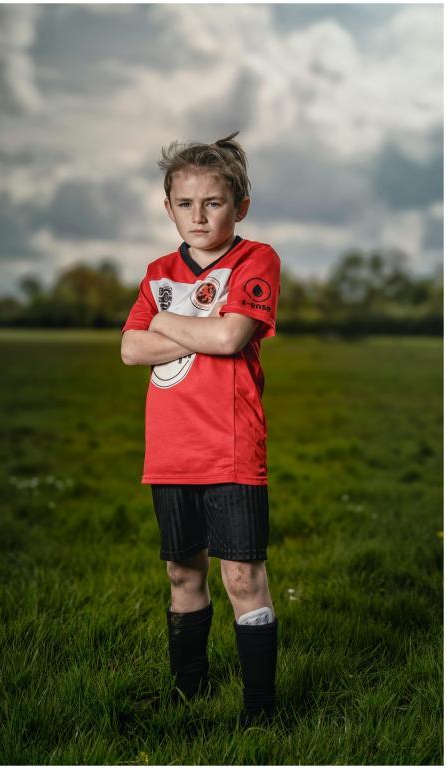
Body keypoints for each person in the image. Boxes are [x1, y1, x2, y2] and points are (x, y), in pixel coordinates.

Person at [120, 130, 281, 726]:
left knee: (242, 575)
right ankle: (188, 695)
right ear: (168, 209)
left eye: (213, 202)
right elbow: (131, 351)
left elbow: (230, 336)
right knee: (181, 571)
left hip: (231, 446)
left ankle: (260, 713)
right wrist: (181, 321)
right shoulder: (160, 271)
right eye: (184, 204)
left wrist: (164, 319)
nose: (198, 215)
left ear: (239, 205)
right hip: (170, 449)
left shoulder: (255, 260)